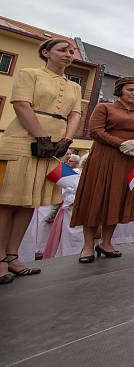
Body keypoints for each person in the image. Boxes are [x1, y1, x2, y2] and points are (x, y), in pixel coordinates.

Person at [0, 39, 83, 283]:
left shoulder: (74, 87)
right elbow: (21, 105)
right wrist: (41, 137)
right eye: (62, 50)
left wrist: (67, 139)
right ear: (46, 53)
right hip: (22, 141)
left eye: (70, 52)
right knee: (7, 202)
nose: (67, 55)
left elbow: (75, 114)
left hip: (53, 148)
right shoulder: (30, 74)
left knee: (30, 203)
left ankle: (13, 255)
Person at [70, 77, 134, 263]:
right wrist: (121, 143)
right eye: (130, 89)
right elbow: (96, 131)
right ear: (120, 90)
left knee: (117, 199)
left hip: (127, 159)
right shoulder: (104, 108)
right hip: (104, 157)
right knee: (95, 198)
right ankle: (88, 246)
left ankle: (106, 242)